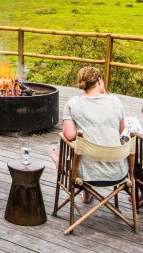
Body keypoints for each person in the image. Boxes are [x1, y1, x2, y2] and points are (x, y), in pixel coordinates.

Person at [53, 67, 128, 199]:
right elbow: (120, 130)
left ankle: (59, 161)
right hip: (118, 173)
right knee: (95, 139)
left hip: (86, 175)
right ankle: (87, 193)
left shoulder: (73, 104)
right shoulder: (115, 101)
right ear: (99, 80)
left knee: (63, 151)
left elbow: (69, 135)